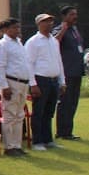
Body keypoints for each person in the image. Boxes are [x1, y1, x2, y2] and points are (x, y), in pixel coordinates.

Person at [0, 18, 34, 156]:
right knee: (9, 115)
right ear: (6, 30)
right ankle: (9, 146)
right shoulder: (3, 45)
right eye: (14, 28)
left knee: (19, 115)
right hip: (11, 82)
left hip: (22, 82)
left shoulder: (19, 43)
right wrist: (4, 86)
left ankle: (17, 145)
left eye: (18, 27)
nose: (18, 30)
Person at [25, 13, 65, 151]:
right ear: (39, 24)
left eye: (51, 21)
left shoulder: (54, 41)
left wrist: (62, 81)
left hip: (53, 79)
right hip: (40, 79)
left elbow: (59, 61)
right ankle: (37, 141)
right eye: (46, 21)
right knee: (39, 112)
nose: (49, 24)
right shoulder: (33, 42)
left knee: (49, 112)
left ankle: (48, 139)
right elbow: (29, 63)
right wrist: (33, 84)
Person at [53, 5, 84, 141]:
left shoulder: (75, 30)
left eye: (75, 14)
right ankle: (61, 131)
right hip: (66, 72)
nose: (75, 17)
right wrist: (63, 30)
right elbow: (54, 43)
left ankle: (68, 131)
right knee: (65, 102)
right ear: (64, 16)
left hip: (77, 71)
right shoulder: (60, 29)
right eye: (71, 14)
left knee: (73, 102)